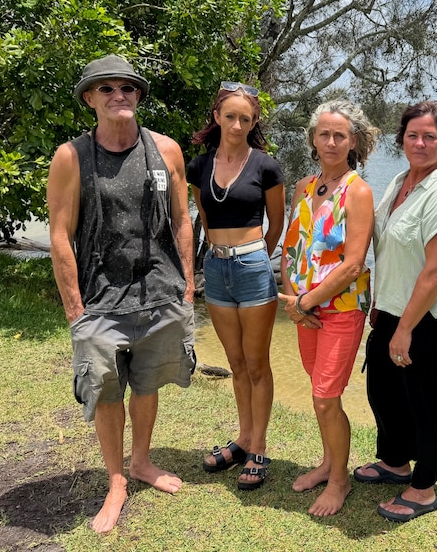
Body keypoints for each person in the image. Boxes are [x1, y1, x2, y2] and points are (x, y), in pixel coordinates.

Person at [47, 54, 197, 533]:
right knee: (107, 390)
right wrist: (75, 307)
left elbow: (181, 219)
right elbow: (59, 234)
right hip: (100, 300)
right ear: (90, 99)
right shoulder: (72, 157)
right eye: (107, 88)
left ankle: (142, 462)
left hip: (160, 294)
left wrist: (189, 285)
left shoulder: (166, 150)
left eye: (128, 88)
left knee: (148, 382)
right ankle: (116, 480)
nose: (119, 95)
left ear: (138, 96)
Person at [353, 100, 437, 523]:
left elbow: (435, 272)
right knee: (387, 394)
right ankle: (395, 462)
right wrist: (379, 308)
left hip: (432, 319)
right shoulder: (401, 182)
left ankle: (424, 487)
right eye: (412, 134)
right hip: (394, 311)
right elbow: (390, 252)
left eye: (430, 136)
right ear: (402, 139)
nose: (420, 142)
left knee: (428, 405)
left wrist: (405, 328)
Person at [279, 100, 378, 516]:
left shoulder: (359, 192)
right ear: (313, 139)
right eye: (324, 134)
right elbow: (290, 246)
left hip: (340, 309)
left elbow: (354, 263)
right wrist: (293, 301)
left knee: (325, 396)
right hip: (305, 310)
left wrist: (307, 300)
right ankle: (327, 464)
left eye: (340, 135)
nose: (332, 141)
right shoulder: (304, 186)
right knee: (321, 393)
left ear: (353, 140)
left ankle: (340, 482)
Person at [186, 81, 285, 490]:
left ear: (253, 121)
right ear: (217, 117)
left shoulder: (266, 166)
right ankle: (243, 439)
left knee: (257, 363)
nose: (237, 124)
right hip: (216, 267)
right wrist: (218, 254)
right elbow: (205, 219)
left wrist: (256, 256)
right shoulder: (198, 166)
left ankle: (258, 447)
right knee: (237, 363)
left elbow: (276, 224)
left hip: (251, 265)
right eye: (230, 116)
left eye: (246, 118)